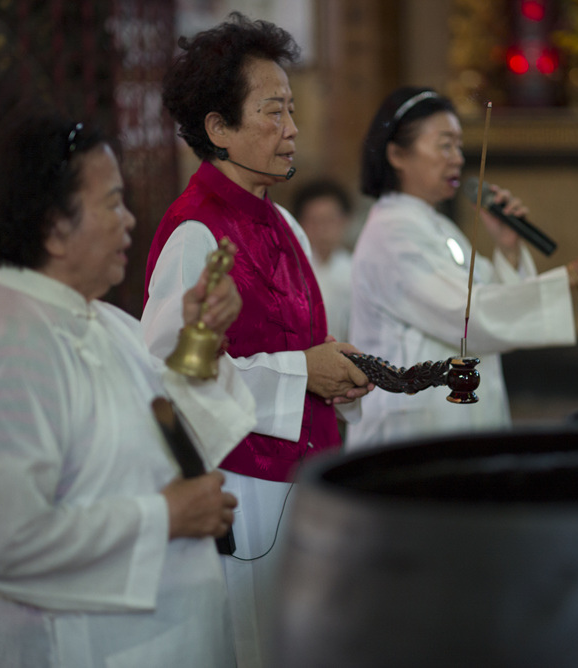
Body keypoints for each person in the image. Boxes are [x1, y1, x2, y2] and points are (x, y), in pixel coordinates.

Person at [0, 106, 256, 667]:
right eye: (111, 203)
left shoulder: (93, 319)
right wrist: (166, 517)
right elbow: (3, 541)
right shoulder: (9, 350)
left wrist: (200, 339)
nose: (129, 220)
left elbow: (166, 434)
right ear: (55, 227)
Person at [140, 13, 373, 668]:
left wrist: (340, 367)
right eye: (274, 111)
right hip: (243, 488)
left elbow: (307, 340)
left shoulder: (283, 224)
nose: (293, 128)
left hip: (305, 479)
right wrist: (304, 371)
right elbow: (167, 381)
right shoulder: (194, 232)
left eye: (292, 109)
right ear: (219, 129)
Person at [347, 86, 578, 450]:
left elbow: (489, 301)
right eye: (444, 145)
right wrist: (572, 276)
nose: (457, 159)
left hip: (453, 415)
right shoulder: (392, 233)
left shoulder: (435, 226)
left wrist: (508, 248)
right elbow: (469, 316)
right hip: (413, 427)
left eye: (459, 147)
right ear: (398, 154)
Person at [292, 178, 355, 342]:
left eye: (329, 220)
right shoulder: (291, 271)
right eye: (314, 221)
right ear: (300, 224)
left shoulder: (354, 270)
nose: (323, 230)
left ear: (344, 221)